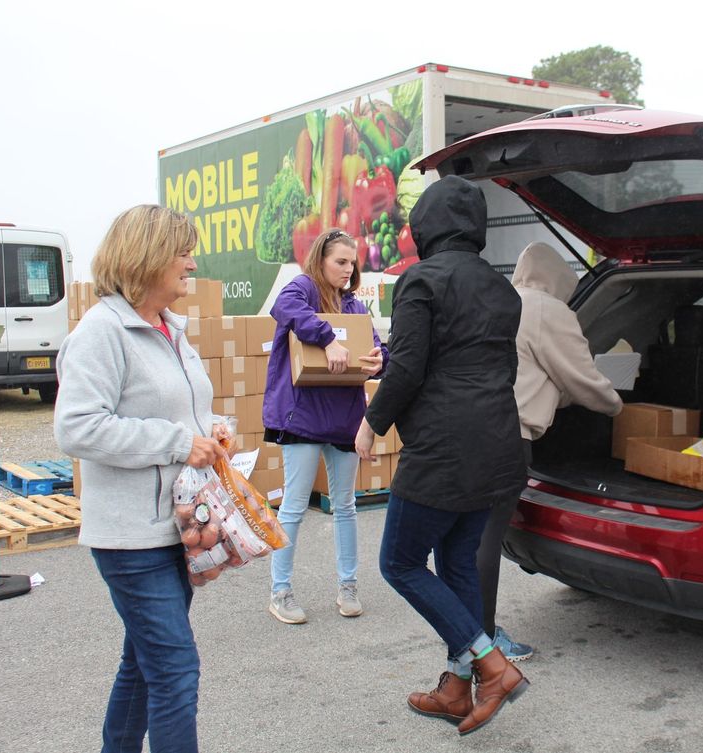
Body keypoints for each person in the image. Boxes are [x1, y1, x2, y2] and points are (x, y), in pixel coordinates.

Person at [355, 176, 530, 736]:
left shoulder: (421, 281)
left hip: (442, 450)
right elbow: (502, 371)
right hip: (498, 443)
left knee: (399, 563)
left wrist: (371, 422)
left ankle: (490, 663)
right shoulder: (504, 290)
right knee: (457, 564)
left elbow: (406, 367)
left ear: (423, 224)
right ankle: (457, 689)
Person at [54, 204, 230, 753]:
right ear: (146, 256)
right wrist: (179, 443)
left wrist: (212, 431)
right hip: (130, 537)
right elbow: (78, 428)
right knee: (176, 670)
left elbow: (179, 409)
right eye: (182, 251)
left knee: (144, 662)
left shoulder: (169, 329)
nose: (192, 262)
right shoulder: (102, 332)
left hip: (171, 528)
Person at [477, 241, 625, 662]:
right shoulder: (547, 309)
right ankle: (483, 642)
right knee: (486, 543)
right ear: (560, 278)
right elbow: (582, 379)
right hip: (508, 439)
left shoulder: (499, 301)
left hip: (469, 432)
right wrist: (619, 406)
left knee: (469, 539)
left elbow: (531, 374)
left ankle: (469, 632)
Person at [262, 228, 387, 624]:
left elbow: (377, 345)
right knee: (294, 507)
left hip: (344, 417)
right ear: (320, 259)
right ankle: (280, 591)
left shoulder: (354, 307)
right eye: (341, 262)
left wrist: (381, 358)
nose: (349, 271)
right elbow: (285, 309)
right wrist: (327, 337)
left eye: (353, 264)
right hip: (302, 416)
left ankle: (348, 586)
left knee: (346, 506)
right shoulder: (300, 290)